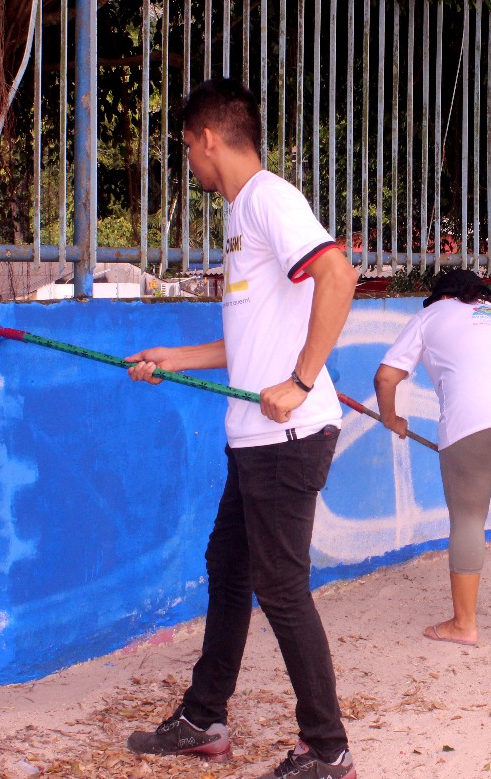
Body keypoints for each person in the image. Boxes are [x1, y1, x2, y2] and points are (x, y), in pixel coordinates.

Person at [122, 79, 360, 779]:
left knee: (281, 586)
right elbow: (250, 337)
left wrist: (304, 379)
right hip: (257, 437)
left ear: (205, 139)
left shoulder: (266, 198)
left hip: (286, 436)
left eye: (186, 148)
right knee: (229, 568)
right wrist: (175, 358)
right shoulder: (241, 216)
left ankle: (328, 747)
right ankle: (205, 716)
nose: (188, 162)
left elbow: (338, 275)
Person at [374, 270, 491, 647]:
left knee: (469, 518)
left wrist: (392, 419)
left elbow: (385, 378)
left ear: (441, 296)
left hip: (475, 415)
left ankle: (464, 625)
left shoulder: (430, 316)